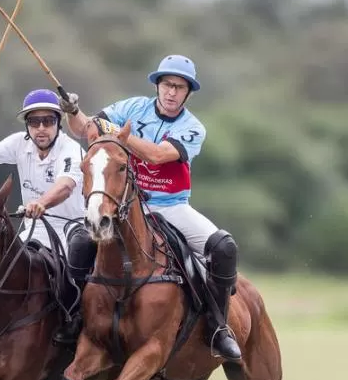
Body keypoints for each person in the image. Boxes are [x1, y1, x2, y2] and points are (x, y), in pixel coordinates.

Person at [53, 55, 243, 362]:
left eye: (179, 87)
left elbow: (156, 156)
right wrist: (73, 112)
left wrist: (117, 133)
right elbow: (86, 130)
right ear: (158, 86)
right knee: (78, 242)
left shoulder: (193, 128)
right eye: (167, 85)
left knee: (223, 247)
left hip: (170, 206)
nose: (171, 92)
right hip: (124, 205)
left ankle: (219, 327)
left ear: (188, 93)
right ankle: (73, 316)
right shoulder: (130, 107)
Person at [0, 89, 87, 380]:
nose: (41, 128)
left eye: (48, 121)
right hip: (31, 226)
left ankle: (72, 332)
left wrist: (42, 203)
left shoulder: (70, 149)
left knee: (71, 276)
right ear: (27, 124)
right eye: (34, 121)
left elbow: (65, 186)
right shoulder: (18, 144)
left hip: (69, 226)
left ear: (58, 123)